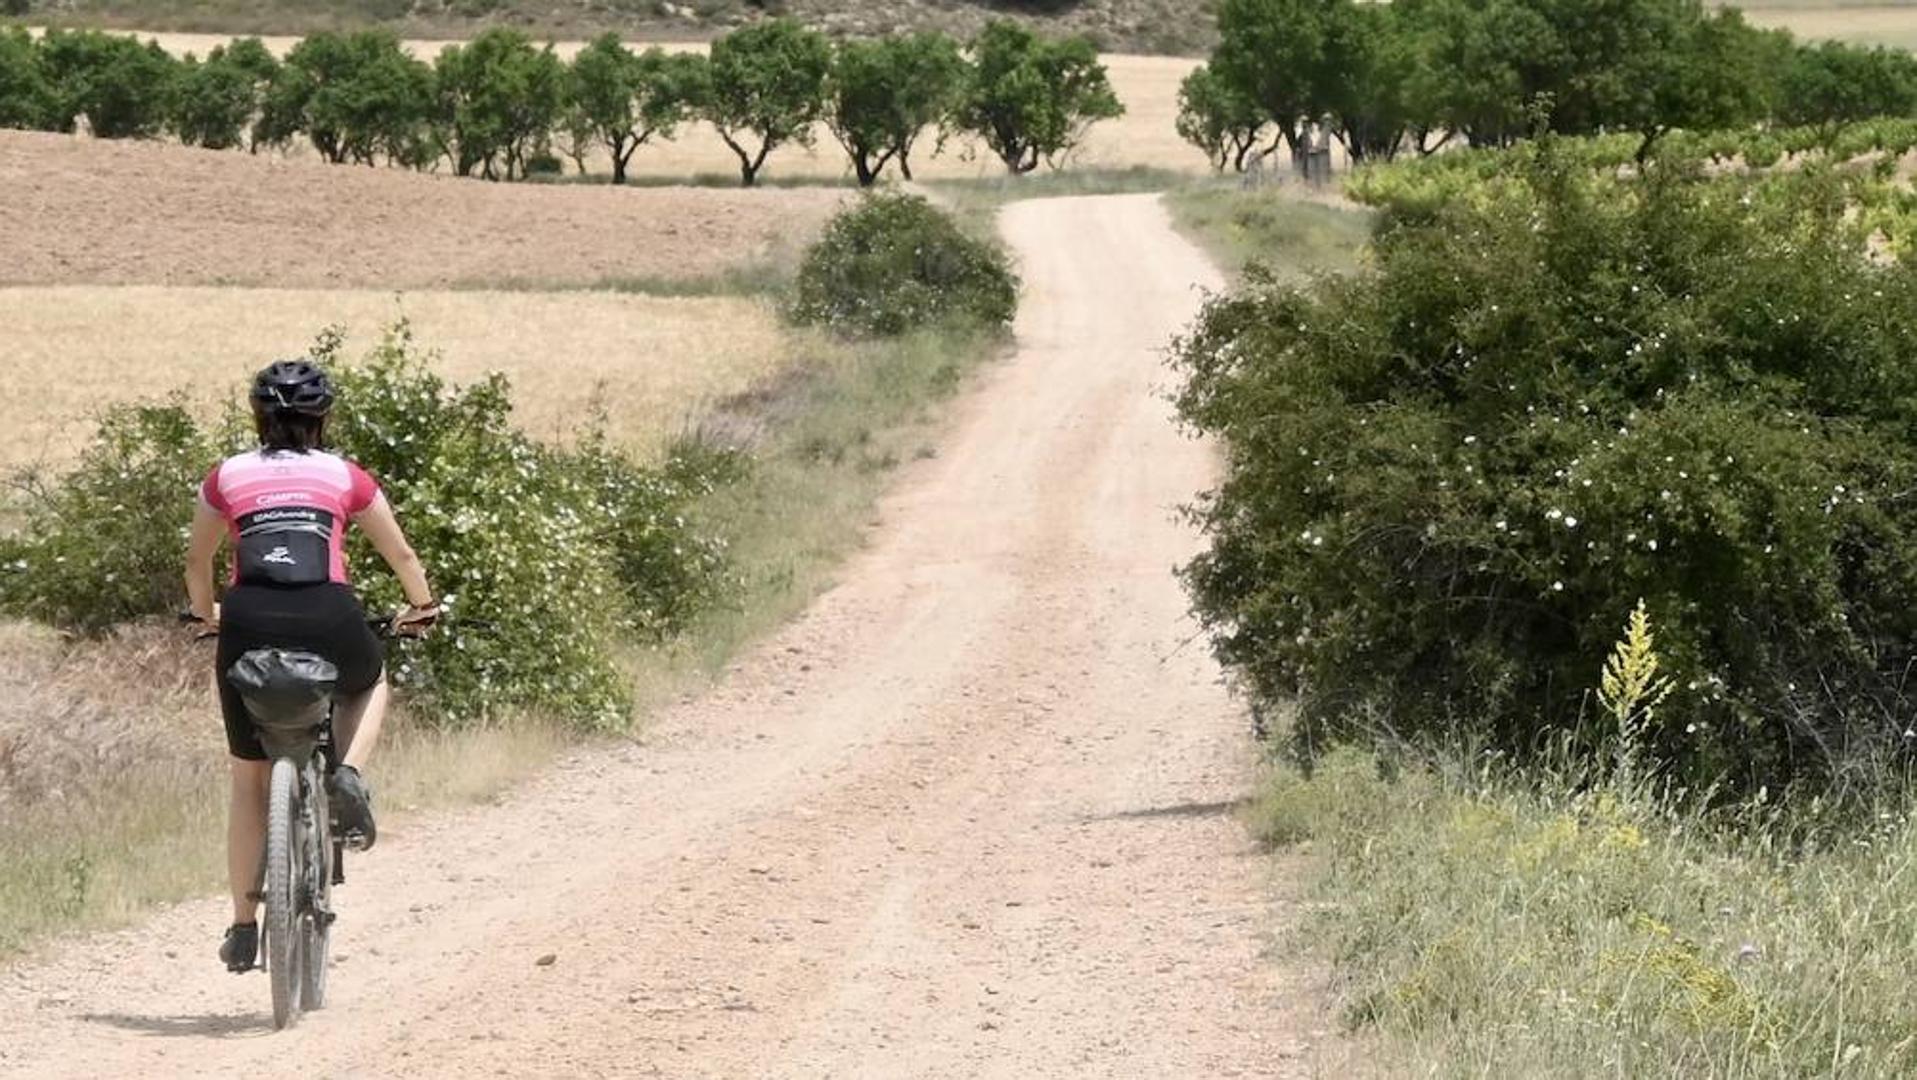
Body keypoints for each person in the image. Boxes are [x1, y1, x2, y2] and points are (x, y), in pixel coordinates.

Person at [183, 359, 441, 973]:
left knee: (249, 780)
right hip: (328, 612)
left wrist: (207, 615)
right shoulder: (346, 476)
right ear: (322, 419)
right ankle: (347, 772)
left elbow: (197, 563)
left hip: (246, 619)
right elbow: (400, 551)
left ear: (258, 417)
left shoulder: (225, 477)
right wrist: (422, 606)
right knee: (371, 679)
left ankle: (244, 927)